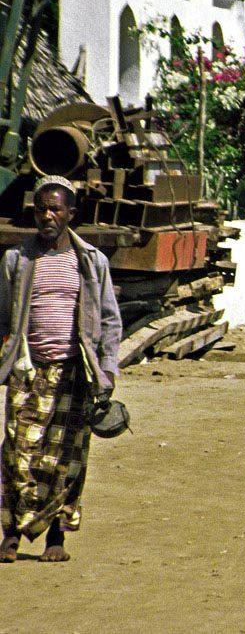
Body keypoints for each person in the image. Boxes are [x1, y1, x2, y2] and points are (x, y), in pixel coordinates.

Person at [0, 175, 122, 563]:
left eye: (55, 209)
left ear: (71, 213)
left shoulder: (90, 262)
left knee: (65, 459)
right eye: (41, 209)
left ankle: (56, 536)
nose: (47, 215)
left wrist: (108, 369)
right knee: (18, 454)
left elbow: (109, 319)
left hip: (75, 374)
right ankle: (12, 533)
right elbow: (5, 318)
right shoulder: (16, 260)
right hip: (28, 370)